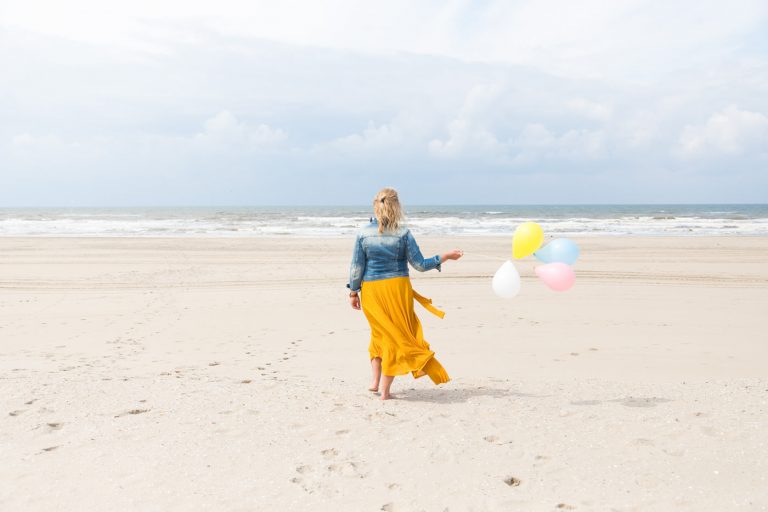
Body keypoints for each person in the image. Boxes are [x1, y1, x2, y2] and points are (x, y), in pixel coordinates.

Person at [347, 188, 463, 400]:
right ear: (396, 206)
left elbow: (356, 267)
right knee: (395, 336)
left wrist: (353, 292)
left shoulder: (363, 233)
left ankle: (375, 382)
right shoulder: (403, 233)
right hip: (397, 289)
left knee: (380, 334)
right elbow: (420, 265)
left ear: (376, 205)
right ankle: (385, 391)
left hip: (372, 290)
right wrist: (444, 256)